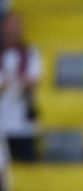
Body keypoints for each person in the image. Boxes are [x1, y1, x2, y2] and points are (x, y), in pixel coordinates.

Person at [0, 13, 39, 162]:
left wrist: (25, 82)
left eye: (17, 26)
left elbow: (35, 80)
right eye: (11, 26)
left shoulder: (30, 52)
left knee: (27, 165)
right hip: (2, 121)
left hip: (23, 121)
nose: (14, 30)